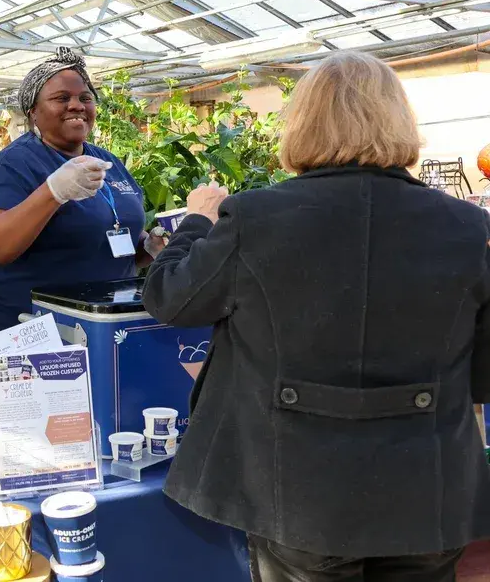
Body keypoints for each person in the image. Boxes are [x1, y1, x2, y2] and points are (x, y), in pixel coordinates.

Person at [142, 51, 490, 582]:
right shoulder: (468, 228)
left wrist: (194, 222)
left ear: (301, 123)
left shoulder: (255, 218)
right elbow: (483, 375)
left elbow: (170, 298)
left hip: (296, 493)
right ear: (399, 120)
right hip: (428, 493)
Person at [0, 48, 164, 335]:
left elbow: (106, 234)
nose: (77, 105)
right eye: (61, 98)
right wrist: (53, 192)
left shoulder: (106, 161)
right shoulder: (13, 165)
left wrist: (147, 247)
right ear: (33, 112)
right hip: (25, 325)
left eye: (85, 98)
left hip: (96, 324)